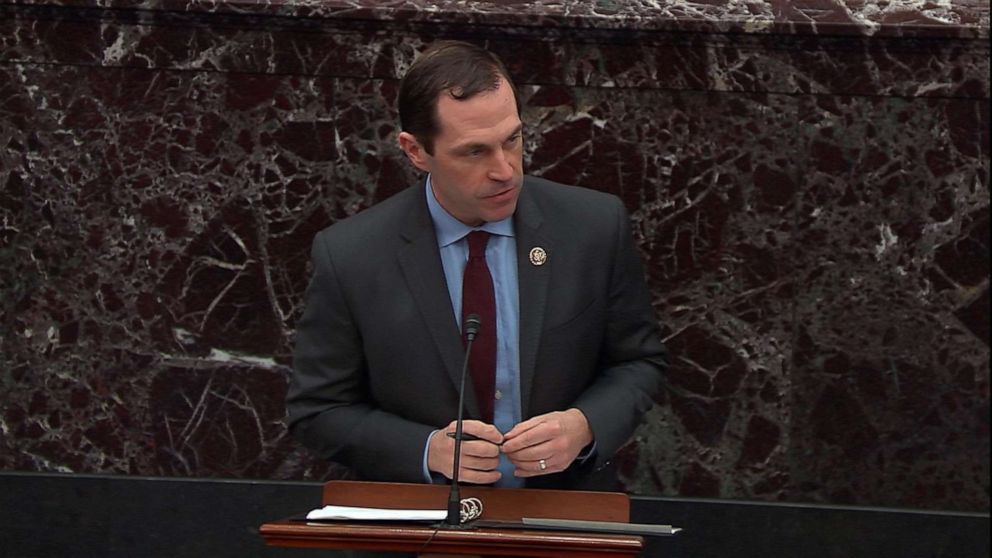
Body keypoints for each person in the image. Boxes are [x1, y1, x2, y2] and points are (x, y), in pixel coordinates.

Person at [286, 40, 667, 491]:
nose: (504, 170)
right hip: (419, 525)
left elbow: (639, 364)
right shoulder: (352, 254)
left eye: (513, 140)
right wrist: (427, 450)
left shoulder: (592, 228)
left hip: (562, 515)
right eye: (474, 152)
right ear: (416, 151)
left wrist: (584, 426)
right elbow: (318, 410)